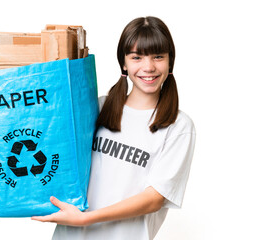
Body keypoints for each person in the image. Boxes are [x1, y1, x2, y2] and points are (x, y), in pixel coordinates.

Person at [30, 16, 197, 239]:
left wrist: (87, 218)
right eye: (137, 57)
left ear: (170, 62)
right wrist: (7, 163)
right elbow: (58, 157)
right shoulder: (99, 107)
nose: (148, 67)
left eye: (158, 56)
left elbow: (155, 198)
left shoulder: (178, 126)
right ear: (124, 63)